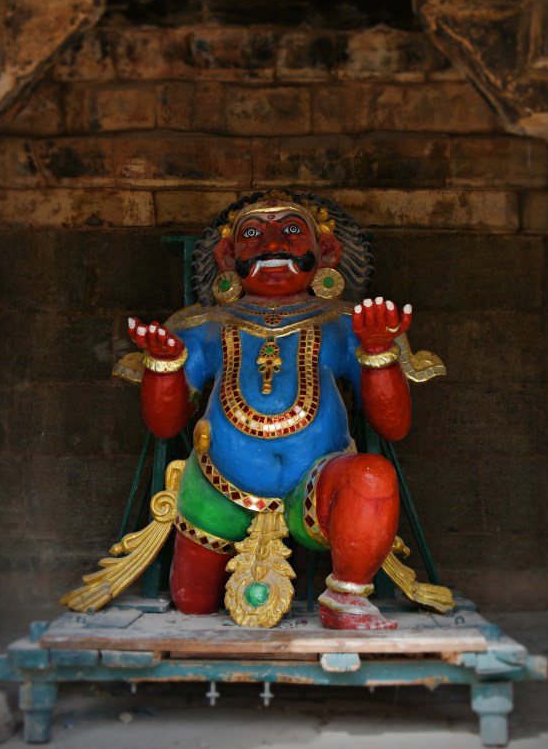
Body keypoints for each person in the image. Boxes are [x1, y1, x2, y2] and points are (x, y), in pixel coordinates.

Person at [127, 191, 414, 630]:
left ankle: (346, 599)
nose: (273, 244)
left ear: (327, 252)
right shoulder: (202, 326)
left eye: (293, 230)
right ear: (227, 257)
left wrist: (377, 352)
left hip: (318, 484)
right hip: (216, 486)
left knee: (373, 476)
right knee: (191, 602)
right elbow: (164, 425)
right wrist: (164, 367)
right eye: (253, 234)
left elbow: (393, 426)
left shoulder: (345, 323)